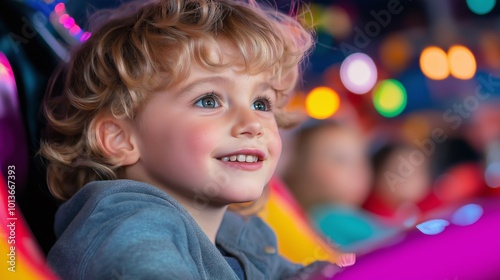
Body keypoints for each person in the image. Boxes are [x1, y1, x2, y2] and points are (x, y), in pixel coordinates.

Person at [39, 0, 341, 279]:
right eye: (209, 100)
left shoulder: (238, 233)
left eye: (261, 103)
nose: (252, 124)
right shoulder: (128, 224)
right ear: (120, 139)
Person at [283, 121, 394, 253]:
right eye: (340, 160)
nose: (356, 169)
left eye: (362, 159)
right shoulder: (330, 217)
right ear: (302, 169)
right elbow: (395, 241)